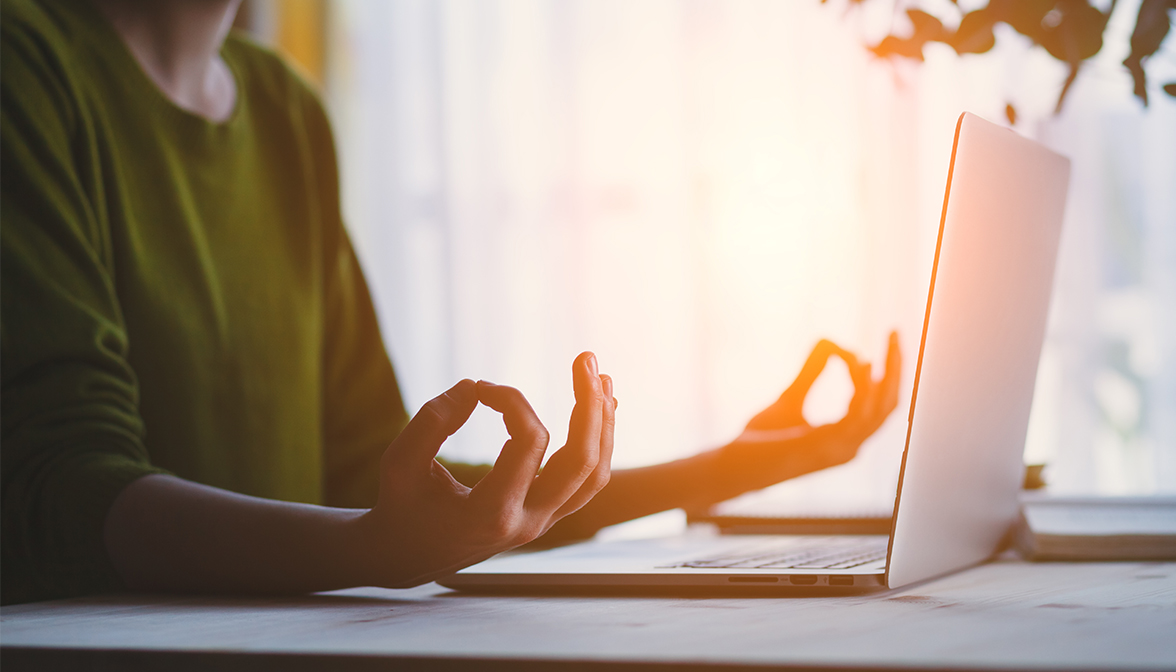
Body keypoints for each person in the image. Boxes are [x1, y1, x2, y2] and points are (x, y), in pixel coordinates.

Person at [0, 0, 901, 605]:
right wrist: (373, 553)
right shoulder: (25, 63)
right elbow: (69, 494)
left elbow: (375, 488)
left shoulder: (284, 111)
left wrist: (731, 467)